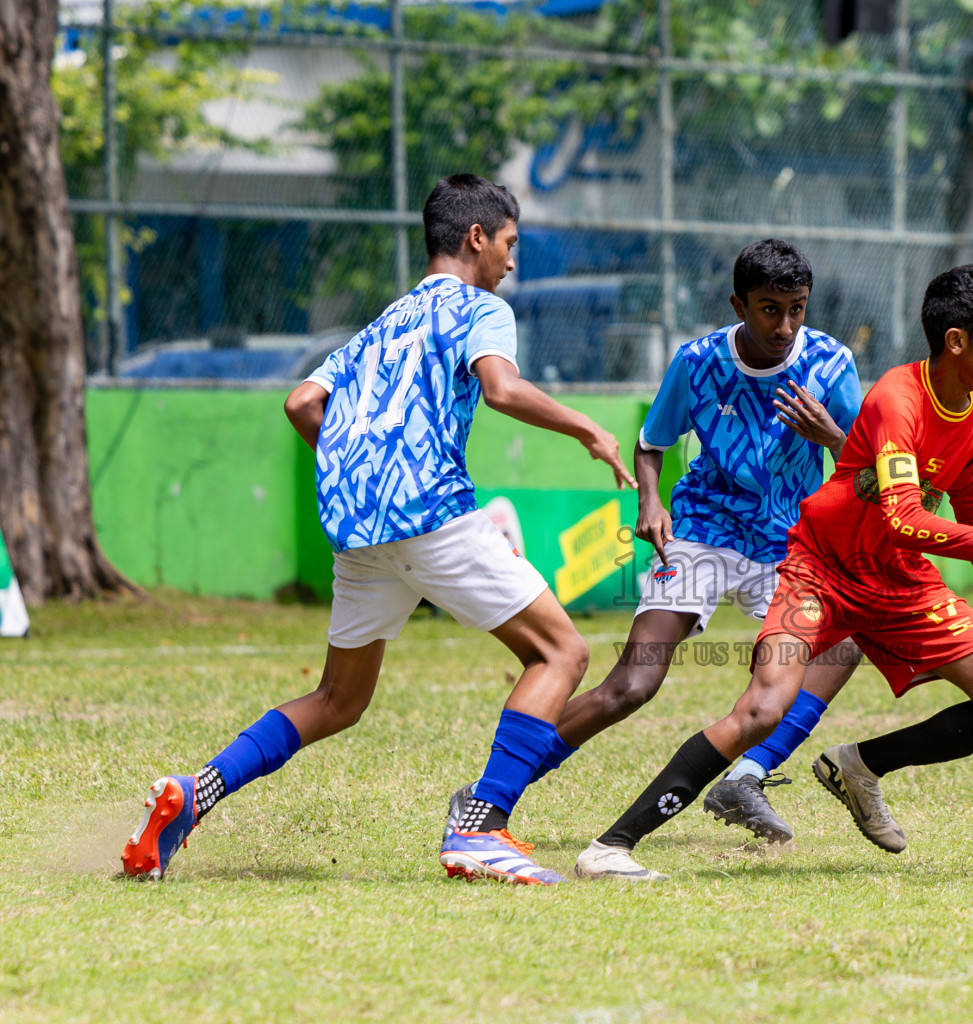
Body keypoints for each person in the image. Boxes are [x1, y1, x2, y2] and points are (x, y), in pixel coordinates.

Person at [120, 173, 635, 886]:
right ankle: (482, 827)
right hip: (431, 515)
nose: (512, 262)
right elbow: (502, 388)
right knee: (561, 654)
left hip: (360, 530)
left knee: (338, 700)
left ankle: (192, 794)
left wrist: (362, 470)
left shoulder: (383, 324)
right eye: (509, 244)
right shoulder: (479, 308)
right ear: (476, 238)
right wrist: (591, 430)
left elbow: (303, 403)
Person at [572, 264, 973, 881]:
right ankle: (611, 846)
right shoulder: (897, 400)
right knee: (760, 712)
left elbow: (964, 483)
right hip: (820, 572)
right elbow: (901, 515)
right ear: (956, 341)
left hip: (900, 580)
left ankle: (860, 766)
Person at [449, 239, 865, 856]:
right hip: (701, 531)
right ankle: (490, 792)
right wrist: (650, 501)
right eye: (769, 309)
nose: (784, 326)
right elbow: (651, 442)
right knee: (634, 683)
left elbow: (867, 468)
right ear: (738, 304)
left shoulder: (830, 364)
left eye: (796, 309)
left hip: (788, 543)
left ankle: (746, 777)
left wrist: (829, 434)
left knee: (842, 647)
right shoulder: (698, 362)